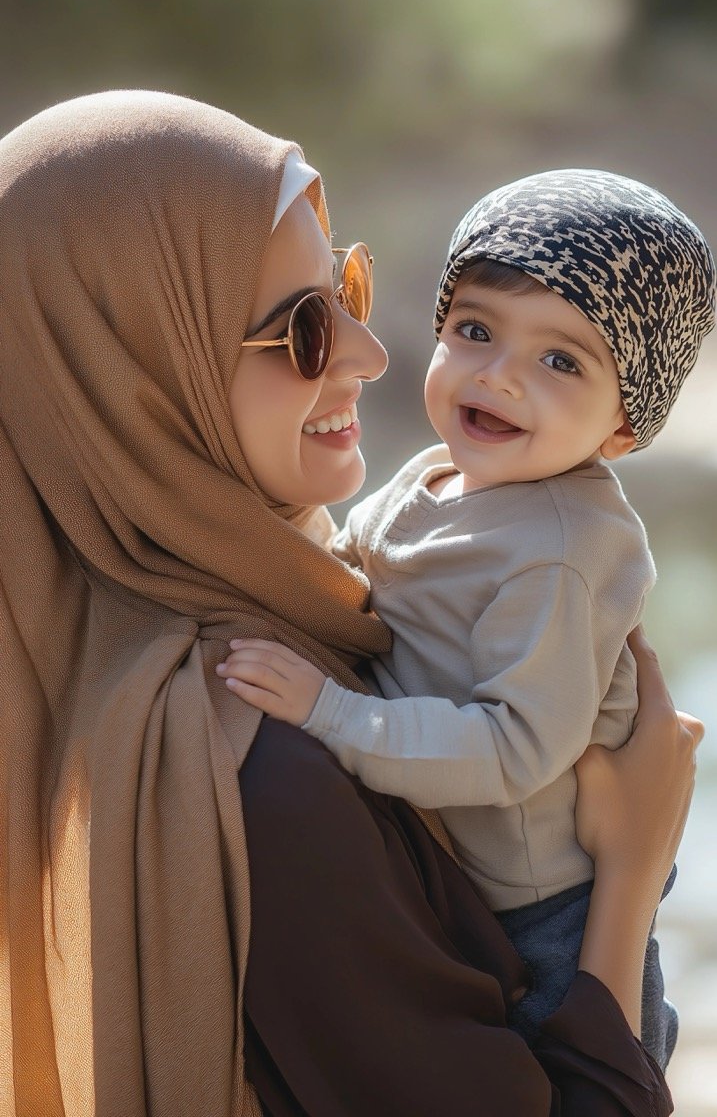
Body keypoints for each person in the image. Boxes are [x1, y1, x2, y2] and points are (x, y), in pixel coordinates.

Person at [0, 92, 702, 1117]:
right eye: (301, 327)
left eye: (349, 285)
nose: (368, 353)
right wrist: (635, 867)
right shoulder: (262, 766)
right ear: (142, 372)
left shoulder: (115, 649)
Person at [218, 169, 715, 1070]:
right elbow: (341, 571)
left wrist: (331, 715)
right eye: (475, 330)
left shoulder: (563, 550)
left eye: (560, 361)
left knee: (591, 1076)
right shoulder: (433, 476)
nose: (499, 376)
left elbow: (513, 748)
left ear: (622, 430)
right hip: (459, 864)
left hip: (550, 911)